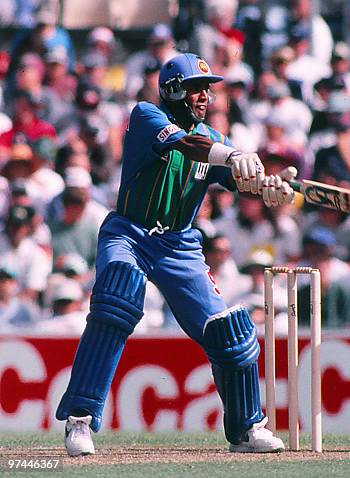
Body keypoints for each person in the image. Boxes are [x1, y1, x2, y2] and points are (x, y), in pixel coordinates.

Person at [56, 53, 294, 457]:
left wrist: (267, 188)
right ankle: (80, 419)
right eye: (196, 88)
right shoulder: (147, 115)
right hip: (129, 231)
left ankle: (246, 428)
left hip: (180, 244)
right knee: (117, 298)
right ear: (172, 89)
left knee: (230, 332)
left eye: (208, 88)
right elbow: (193, 146)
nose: (205, 96)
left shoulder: (216, 139)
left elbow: (233, 174)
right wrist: (234, 156)